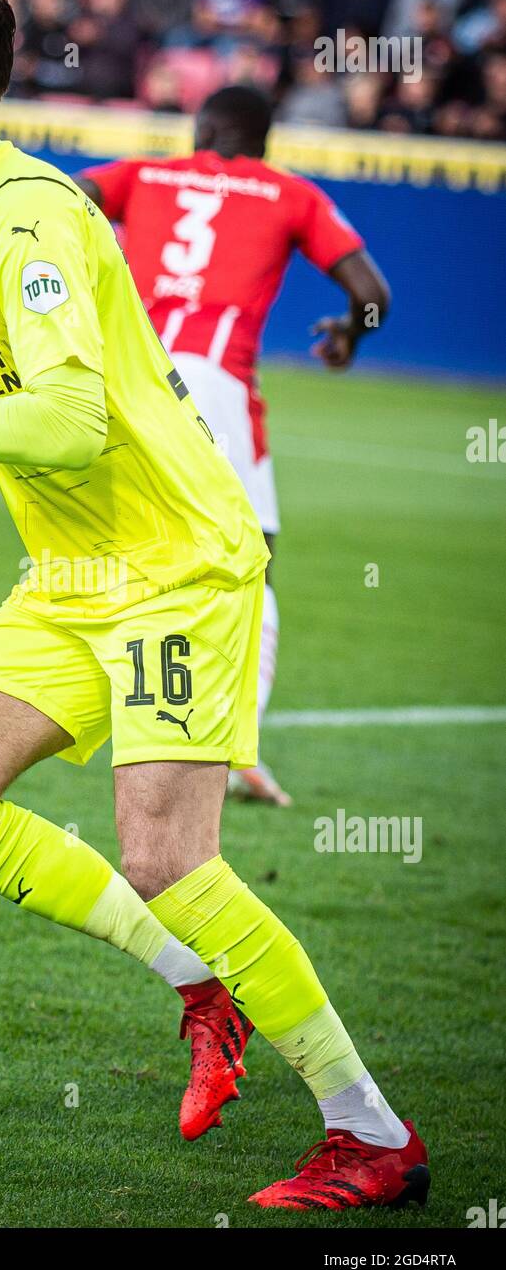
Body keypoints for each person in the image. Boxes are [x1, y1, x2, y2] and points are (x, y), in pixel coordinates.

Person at [0, 0, 426, 1210]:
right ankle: (201, 984)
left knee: (170, 857)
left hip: (175, 564)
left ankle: (371, 1135)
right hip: (74, 575)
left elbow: (71, 424)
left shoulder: (25, 217)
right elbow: (33, 420)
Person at [76, 85, 391, 805]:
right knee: (253, 564)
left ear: (205, 127)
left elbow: (55, 205)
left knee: (133, 550)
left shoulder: (139, 174)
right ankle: (228, 740)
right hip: (213, 383)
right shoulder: (290, 194)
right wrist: (350, 335)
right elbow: (373, 292)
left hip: (130, 379)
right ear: (262, 137)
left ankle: (119, 722)